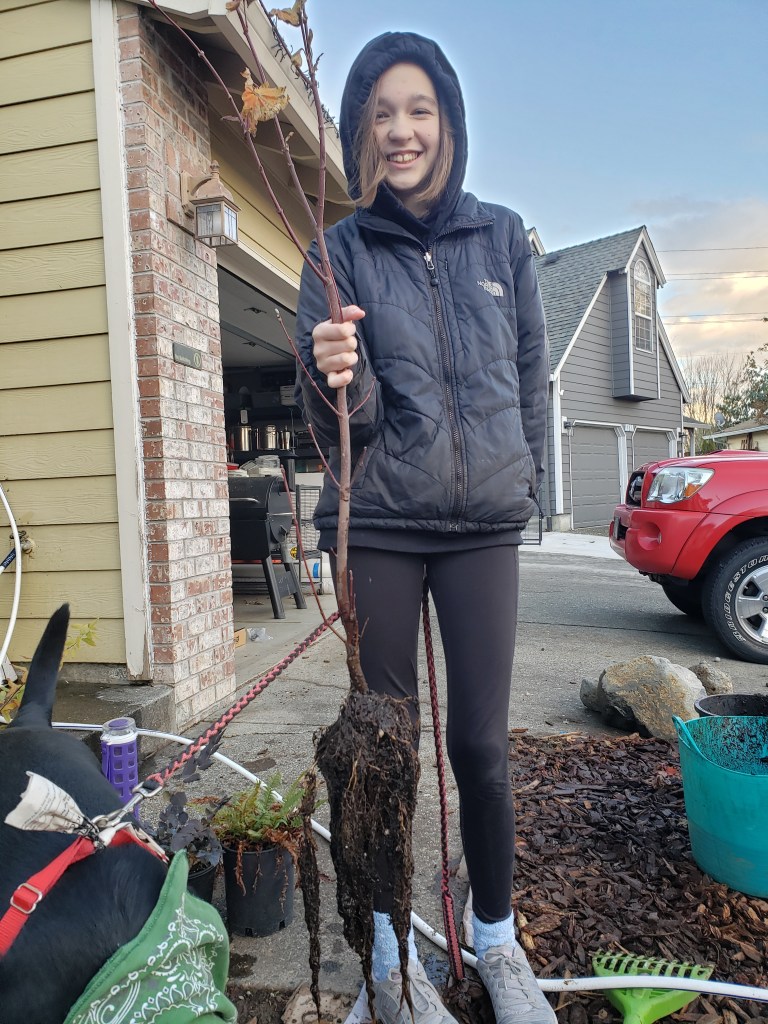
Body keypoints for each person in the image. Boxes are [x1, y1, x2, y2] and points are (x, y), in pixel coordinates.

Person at [294, 31, 553, 1024]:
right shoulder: (337, 251)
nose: (401, 130)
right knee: (380, 756)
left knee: (481, 750)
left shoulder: (502, 237)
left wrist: (524, 479)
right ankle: (390, 966)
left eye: (420, 110)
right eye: (383, 113)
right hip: (386, 523)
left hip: (483, 519)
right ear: (363, 129)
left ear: (447, 121)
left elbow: (531, 377)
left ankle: (497, 941)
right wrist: (334, 375)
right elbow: (341, 435)